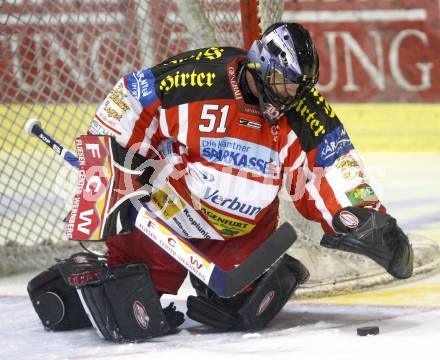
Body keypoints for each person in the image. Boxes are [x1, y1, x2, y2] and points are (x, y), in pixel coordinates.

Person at [28, 22, 413, 342]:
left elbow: (331, 162)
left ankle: (219, 281)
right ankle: (74, 282)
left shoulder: (298, 106)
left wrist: (363, 215)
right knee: (129, 313)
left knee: (250, 307)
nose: (292, 95)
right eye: (284, 82)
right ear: (260, 66)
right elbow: (130, 98)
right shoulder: (197, 79)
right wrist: (107, 171)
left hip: (242, 234)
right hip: (170, 213)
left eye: (299, 86)